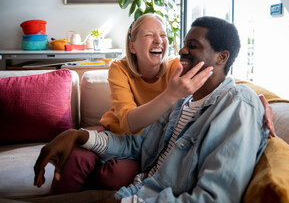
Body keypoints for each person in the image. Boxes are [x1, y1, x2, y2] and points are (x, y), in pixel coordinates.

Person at [35, 16, 270, 202]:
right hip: (134, 187)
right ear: (133, 46)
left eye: (193, 45)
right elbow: (136, 143)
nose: (181, 51)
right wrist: (78, 133)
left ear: (221, 57)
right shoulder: (180, 101)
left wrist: (259, 99)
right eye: (185, 43)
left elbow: (214, 197)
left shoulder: (237, 102)